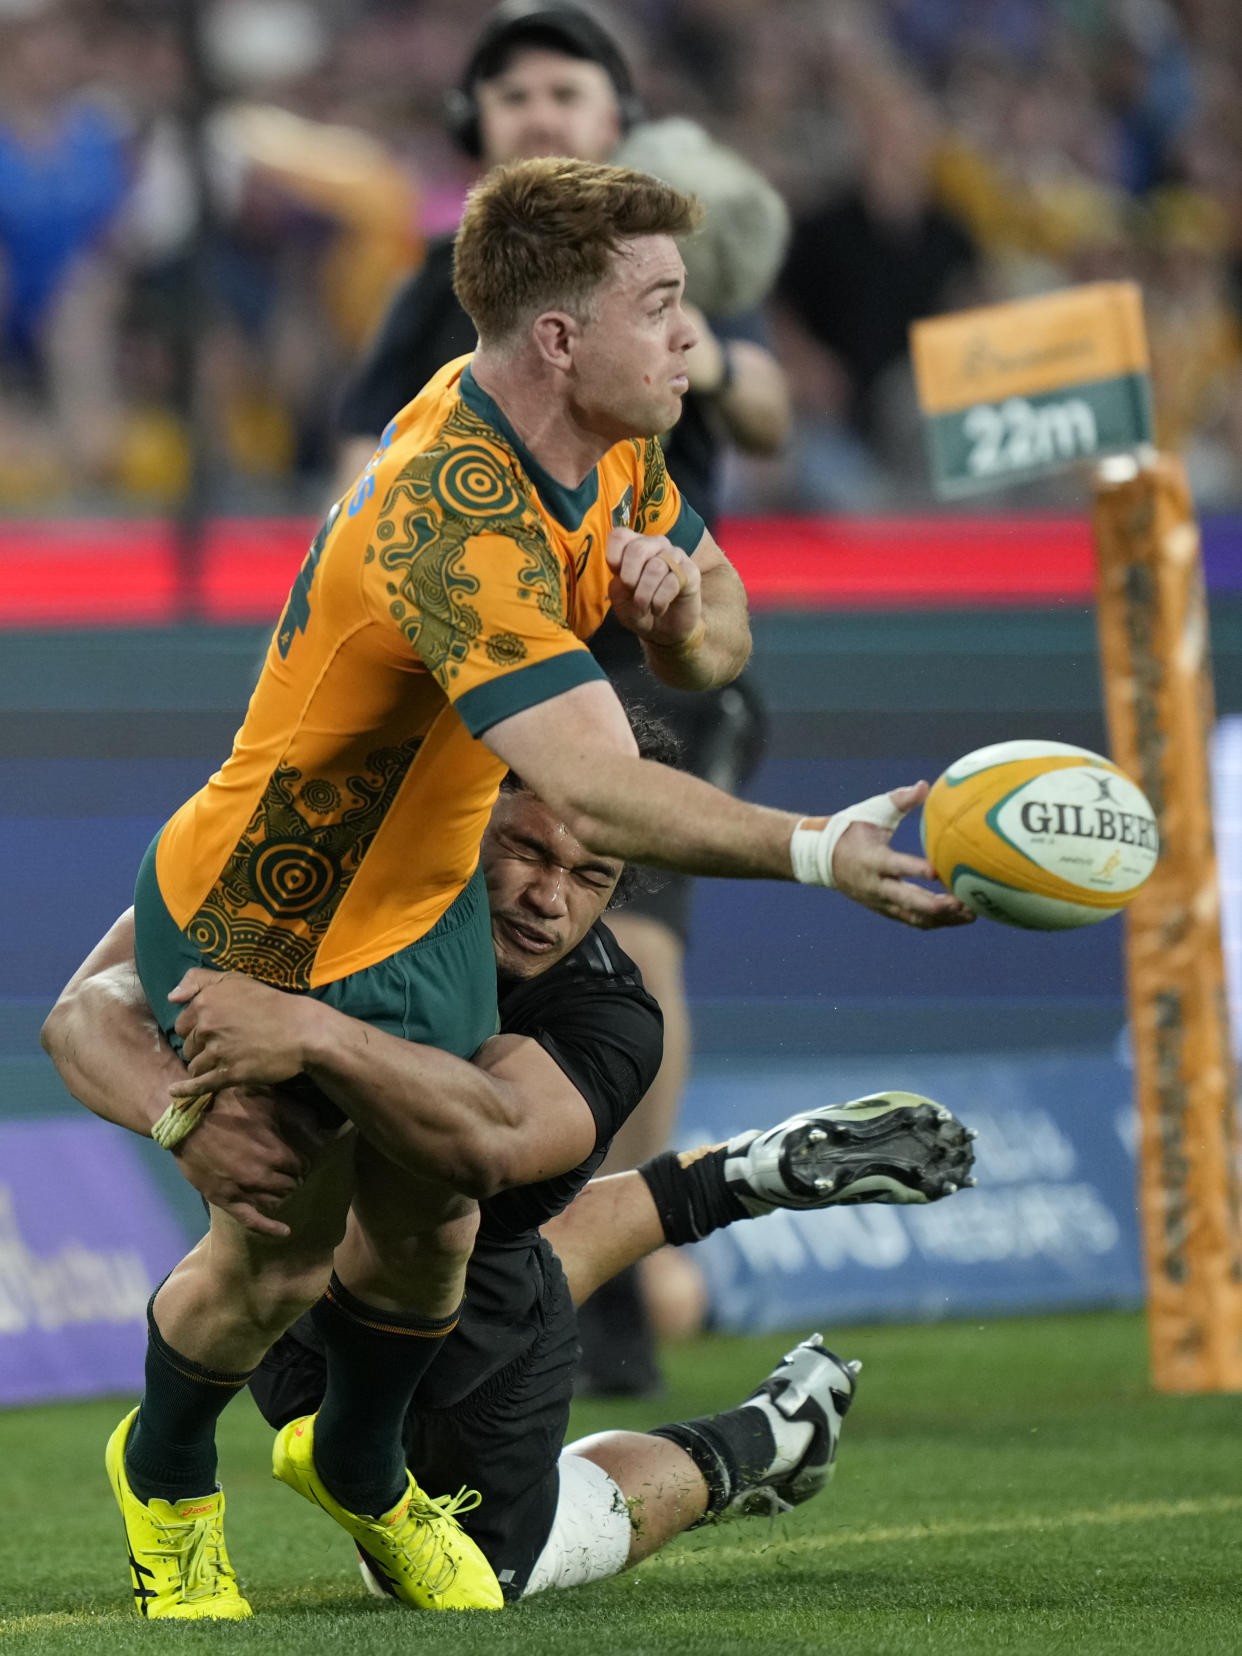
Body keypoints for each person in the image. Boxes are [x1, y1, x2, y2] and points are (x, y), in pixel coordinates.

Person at [88, 151, 971, 1622]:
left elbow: (722, 622)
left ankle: (359, 1467)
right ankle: (167, 1473)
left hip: (423, 904)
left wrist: (676, 616)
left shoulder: (603, 443)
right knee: (285, 1249)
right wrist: (821, 851)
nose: (694, 335)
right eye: (664, 303)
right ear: (558, 336)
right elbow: (592, 780)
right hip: (271, 912)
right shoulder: (449, 511)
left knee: (439, 1221)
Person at [45, 757, 976, 1608]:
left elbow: (489, 1149)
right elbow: (86, 1010)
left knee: (496, 1540)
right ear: (463, 822)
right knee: (280, 1223)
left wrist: (315, 1035)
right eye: (526, 850)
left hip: (473, 1300)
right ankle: (171, 1478)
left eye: (591, 879)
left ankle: (773, 1431)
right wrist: (180, 1111)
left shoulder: (608, 1013)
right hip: (307, 1266)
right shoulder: (338, 876)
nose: (548, 899)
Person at [335, 0, 794, 1396]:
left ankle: (625, 1240)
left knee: (629, 923)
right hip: (489, 616)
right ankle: (475, 1231)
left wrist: (680, 315)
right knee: (490, 921)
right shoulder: (449, 282)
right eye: (513, 93)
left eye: (568, 92)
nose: (539, 112)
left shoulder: (677, 265)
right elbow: (367, 451)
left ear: (617, 123)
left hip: (640, 624)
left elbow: (770, 410)